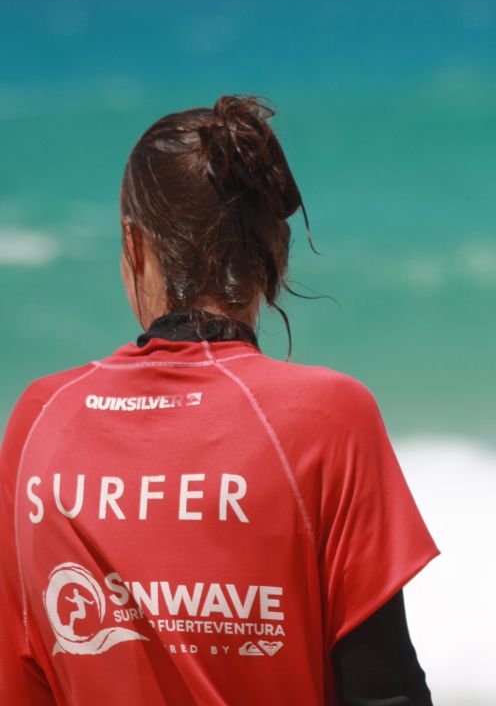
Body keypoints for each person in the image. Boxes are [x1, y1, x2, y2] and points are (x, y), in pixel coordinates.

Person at [0, 96, 438, 705]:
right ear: (271, 252)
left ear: (134, 245)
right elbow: (384, 692)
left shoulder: (41, 419)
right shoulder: (326, 418)